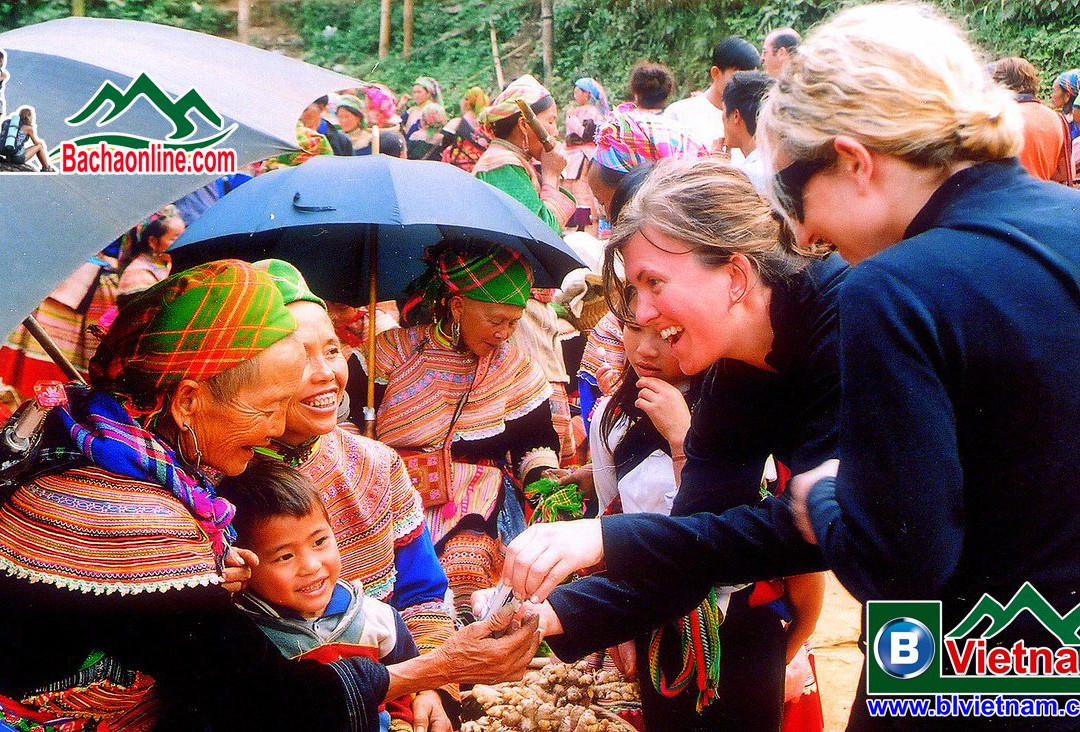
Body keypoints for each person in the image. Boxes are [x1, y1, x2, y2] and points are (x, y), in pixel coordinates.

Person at [502, 4, 1080, 728]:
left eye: (798, 195)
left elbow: (897, 562)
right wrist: (560, 609)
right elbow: (709, 531)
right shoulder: (1060, 225)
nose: (803, 230)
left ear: (856, 161)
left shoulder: (892, 291)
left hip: (978, 666)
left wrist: (826, 501)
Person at [0, 260, 541, 731]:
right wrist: (439, 668)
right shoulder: (134, 515)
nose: (276, 428)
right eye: (264, 410)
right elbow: (264, 702)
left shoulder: (101, 448)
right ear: (188, 401)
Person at [255, 259, 456, 729]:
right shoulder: (214, 479)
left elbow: (422, 593)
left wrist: (430, 682)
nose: (327, 373)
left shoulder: (377, 467)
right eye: (301, 357)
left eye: (332, 349)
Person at [347, 243, 561, 624]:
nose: (504, 334)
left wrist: (548, 483)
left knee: (467, 564)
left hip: (481, 501)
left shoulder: (517, 369)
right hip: (392, 492)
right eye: (495, 320)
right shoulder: (391, 352)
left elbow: (534, 447)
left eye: (513, 323)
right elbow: (346, 425)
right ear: (458, 305)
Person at [219, 460, 425, 732]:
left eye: (320, 542)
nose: (311, 566)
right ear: (243, 564)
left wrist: (402, 723)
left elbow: (406, 684)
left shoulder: (377, 619)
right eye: (285, 556)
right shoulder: (248, 638)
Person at [474, 74, 574, 234]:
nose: (555, 131)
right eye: (550, 121)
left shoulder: (513, 159)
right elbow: (542, 233)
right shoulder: (502, 163)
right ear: (523, 125)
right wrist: (550, 175)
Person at [665, 36, 759, 153]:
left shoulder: (759, 118)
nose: (747, 84)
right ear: (715, 73)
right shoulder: (679, 114)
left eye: (752, 77)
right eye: (739, 77)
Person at [993, 57, 1072, 184]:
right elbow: (1063, 174)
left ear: (999, 83)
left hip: (1006, 198)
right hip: (1042, 198)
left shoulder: (998, 117)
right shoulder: (1057, 118)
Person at [564, 78, 609, 232]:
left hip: (583, 155)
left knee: (581, 190)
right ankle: (575, 223)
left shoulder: (591, 113)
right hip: (573, 155)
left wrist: (571, 119)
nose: (575, 95)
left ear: (586, 94)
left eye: (578, 92)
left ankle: (583, 226)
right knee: (572, 189)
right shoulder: (578, 111)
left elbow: (586, 134)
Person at [721, 70, 774, 193]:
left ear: (735, 115)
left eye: (723, 112)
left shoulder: (746, 177)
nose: (722, 119)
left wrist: (716, 170)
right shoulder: (778, 161)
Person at [117, 209, 185, 301]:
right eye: (174, 239)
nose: (182, 243)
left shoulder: (166, 264)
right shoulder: (139, 277)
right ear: (152, 241)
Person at [440, 86, 491, 172]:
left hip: (457, 169)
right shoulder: (489, 125)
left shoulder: (454, 124)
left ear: (465, 102)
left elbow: (443, 146)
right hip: (483, 170)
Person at [403, 77, 447, 160]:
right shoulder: (412, 110)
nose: (416, 95)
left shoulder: (431, 110)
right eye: (414, 92)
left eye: (419, 92)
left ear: (428, 93)